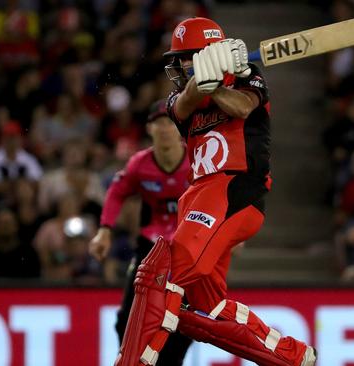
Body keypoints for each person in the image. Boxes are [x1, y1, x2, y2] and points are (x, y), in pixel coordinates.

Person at [115, 18, 316, 366]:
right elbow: (182, 104)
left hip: (234, 190)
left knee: (158, 273)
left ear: (202, 54)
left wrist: (221, 84)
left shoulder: (248, 76)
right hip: (198, 195)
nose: (176, 67)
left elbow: (241, 107)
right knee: (203, 310)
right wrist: (202, 81)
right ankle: (290, 357)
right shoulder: (181, 98)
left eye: (182, 59)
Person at [88, 100, 193, 365]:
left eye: (171, 122)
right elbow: (116, 192)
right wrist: (104, 231)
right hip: (150, 246)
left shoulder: (196, 159)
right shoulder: (140, 164)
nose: (166, 129)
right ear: (149, 128)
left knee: (186, 318)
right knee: (126, 318)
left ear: (179, 127)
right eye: (160, 123)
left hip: (190, 248)